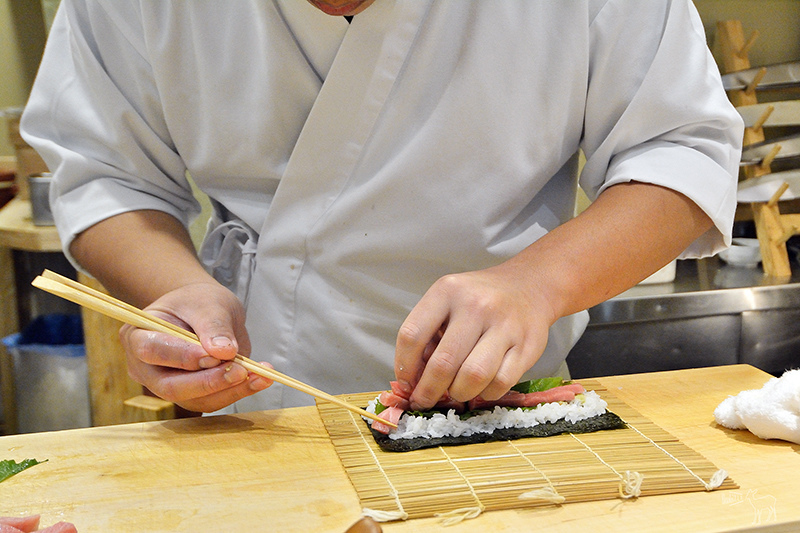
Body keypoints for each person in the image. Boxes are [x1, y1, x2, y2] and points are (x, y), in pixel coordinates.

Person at [21, 0, 743, 415]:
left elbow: (679, 149)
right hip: (258, 413)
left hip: (501, 404)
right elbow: (108, 172)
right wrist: (176, 295)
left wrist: (536, 283)